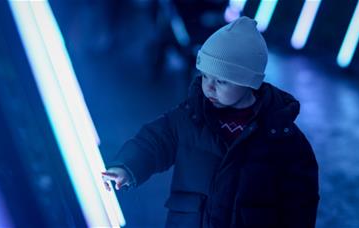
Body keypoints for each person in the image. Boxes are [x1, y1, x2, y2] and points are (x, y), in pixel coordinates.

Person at [102, 16, 319, 227]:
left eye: (222, 81)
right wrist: (127, 167)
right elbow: (154, 142)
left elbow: (300, 201)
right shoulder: (190, 117)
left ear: (249, 82)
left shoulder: (282, 137)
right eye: (205, 76)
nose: (210, 87)